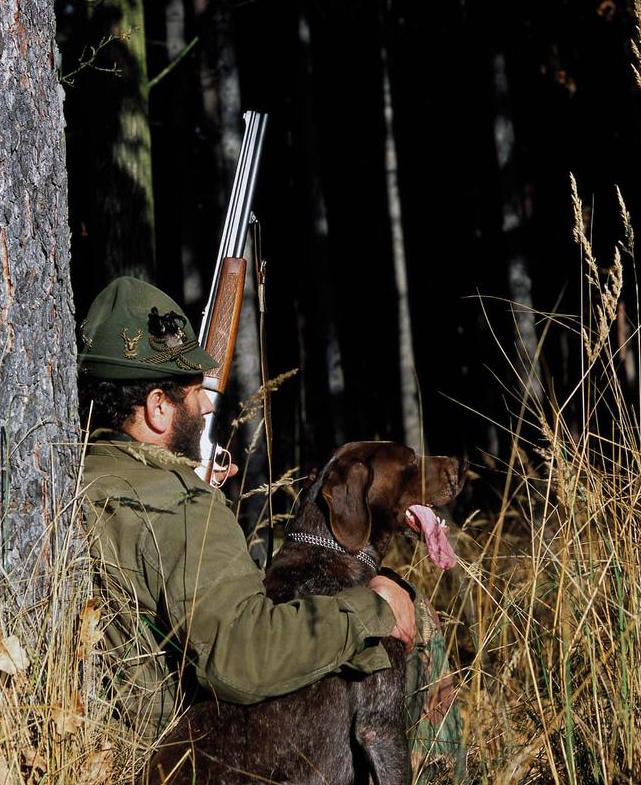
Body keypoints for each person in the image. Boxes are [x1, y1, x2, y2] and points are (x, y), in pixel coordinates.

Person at [77, 276, 416, 745]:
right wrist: (370, 610)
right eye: (195, 392)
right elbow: (243, 659)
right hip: (183, 770)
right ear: (158, 407)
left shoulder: (77, 477)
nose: (205, 407)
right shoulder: (181, 507)